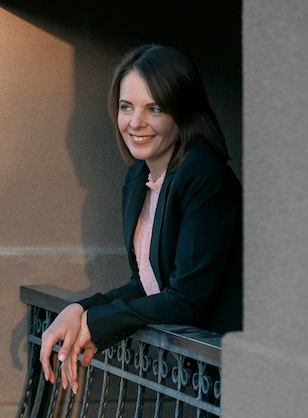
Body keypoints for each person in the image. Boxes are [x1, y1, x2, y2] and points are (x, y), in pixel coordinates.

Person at [40, 44, 242, 394]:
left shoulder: (204, 176)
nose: (135, 123)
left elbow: (185, 300)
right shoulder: (139, 179)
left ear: (182, 111)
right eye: (126, 107)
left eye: (155, 108)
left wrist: (98, 323)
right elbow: (147, 284)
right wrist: (80, 309)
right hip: (206, 378)